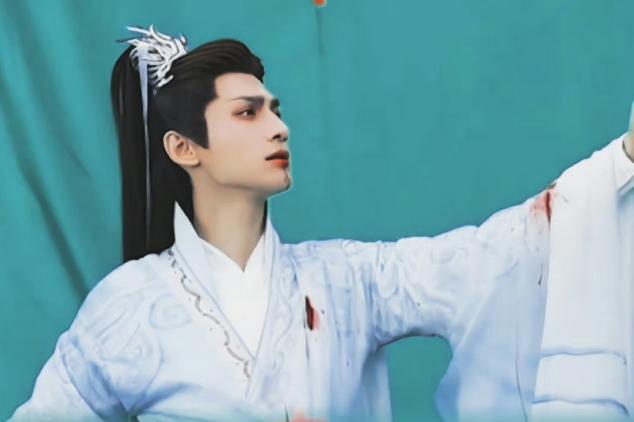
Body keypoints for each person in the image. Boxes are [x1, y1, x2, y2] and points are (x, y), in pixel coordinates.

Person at [10, 26, 634, 422]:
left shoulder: (347, 280)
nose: (279, 127)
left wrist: (620, 165)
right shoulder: (126, 307)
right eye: (248, 113)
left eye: (275, 111)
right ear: (183, 148)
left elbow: (487, 257)